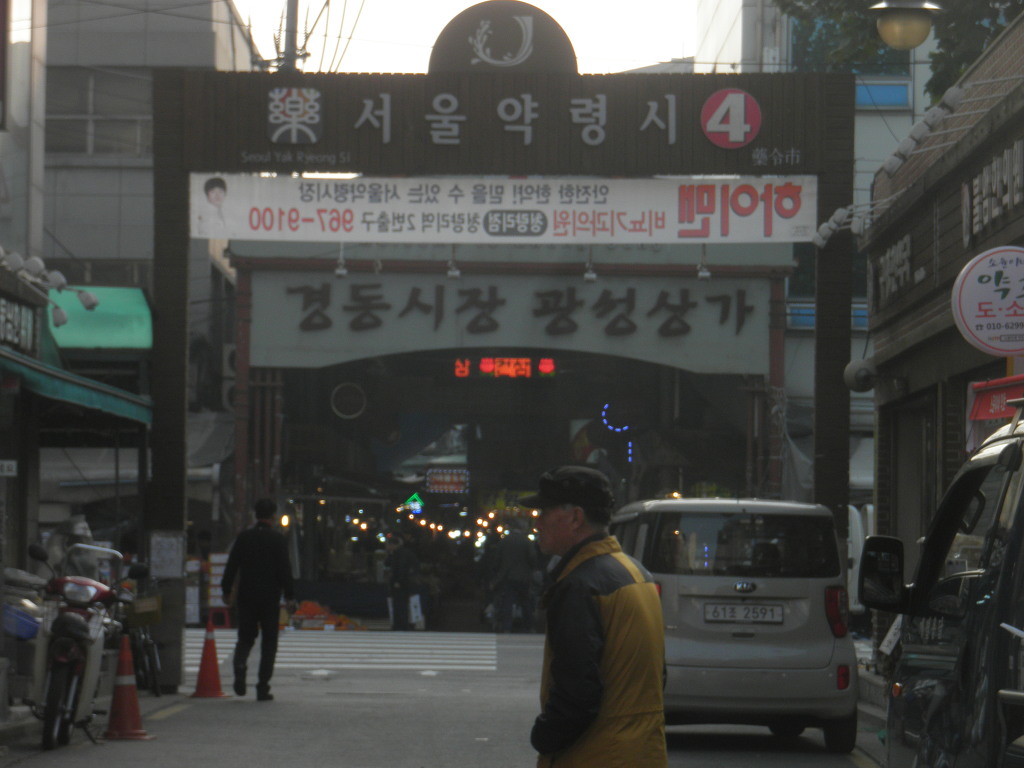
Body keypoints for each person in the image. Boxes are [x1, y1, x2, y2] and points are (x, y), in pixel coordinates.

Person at [522, 465, 667, 768]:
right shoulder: (636, 573)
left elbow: (577, 690)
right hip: (641, 752)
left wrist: (544, 736)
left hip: (597, 755)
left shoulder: (580, 585)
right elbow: (657, 675)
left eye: (544, 512)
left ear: (575, 518)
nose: (537, 523)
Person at [222, 498, 295, 701]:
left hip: (247, 595)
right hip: (270, 597)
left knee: (245, 637)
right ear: (273, 516)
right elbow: (285, 569)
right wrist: (290, 595)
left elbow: (232, 565)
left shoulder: (244, 537)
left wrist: (226, 589)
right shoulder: (278, 539)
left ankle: (240, 665)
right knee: (269, 642)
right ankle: (263, 687)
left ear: (255, 515)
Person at [491, 517, 538, 632]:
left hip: (507, 576)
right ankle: (528, 626)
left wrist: (497, 574)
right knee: (525, 602)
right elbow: (532, 559)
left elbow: (497, 559)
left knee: (507, 602)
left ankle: (506, 626)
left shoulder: (505, 541)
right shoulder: (526, 541)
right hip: (523, 576)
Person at [385, 532, 420, 631]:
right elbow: (387, 563)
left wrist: (398, 581)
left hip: (401, 583)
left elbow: (401, 568)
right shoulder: (398, 553)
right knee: (400, 604)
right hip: (404, 582)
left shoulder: (400, 554)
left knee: (400, 604)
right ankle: (401, 624)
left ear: (393, 545)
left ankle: (400, 624)